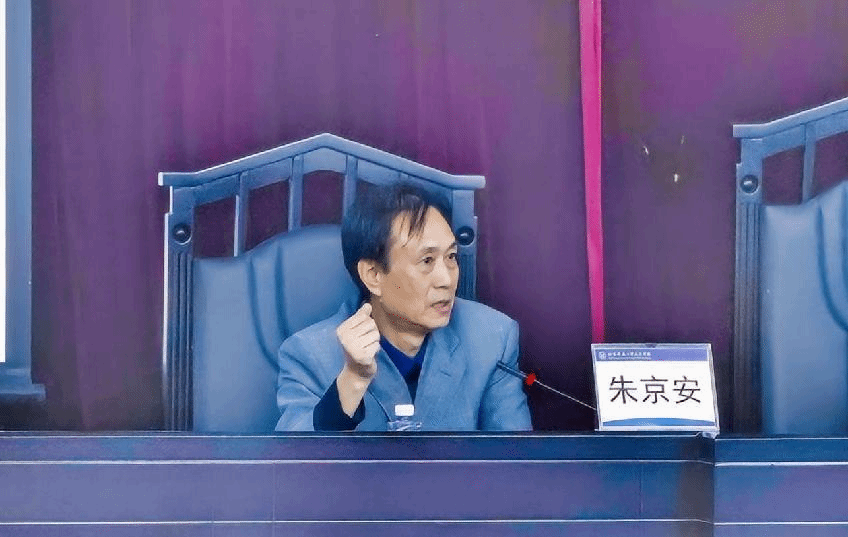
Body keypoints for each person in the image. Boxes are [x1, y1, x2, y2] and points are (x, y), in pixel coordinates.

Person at [274, 183, 532, 431]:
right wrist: (352, 380)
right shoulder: (310, 355)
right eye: (427, 260)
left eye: (451, 257)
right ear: (373, 275)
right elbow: (294, 459)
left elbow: (517, 456)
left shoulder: (492, 338)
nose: (446, 280)